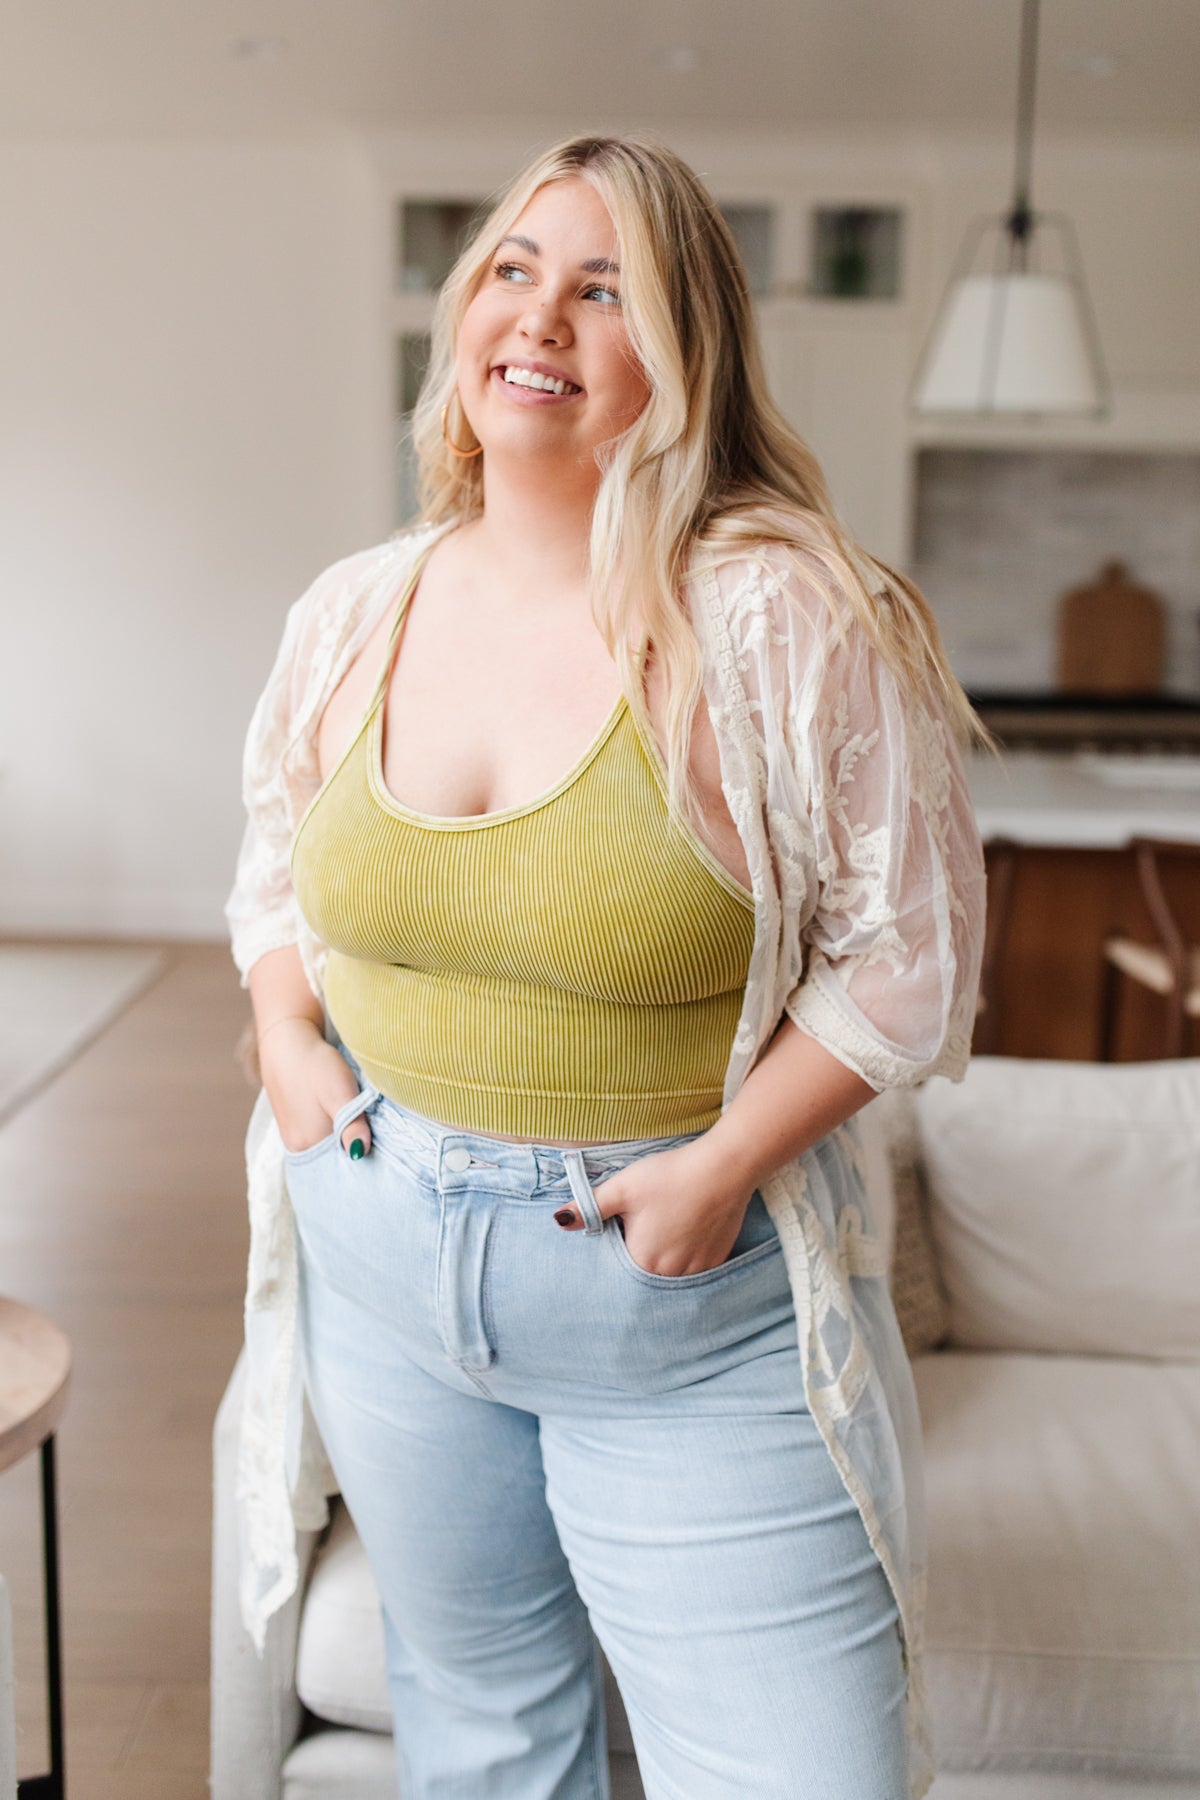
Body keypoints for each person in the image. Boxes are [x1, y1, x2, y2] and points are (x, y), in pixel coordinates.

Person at [225, 133, 987, 1800]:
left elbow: (909, 958)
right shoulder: (356, 606)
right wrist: (287, 1038)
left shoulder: (784, 617)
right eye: (513, 270)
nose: (541, 317)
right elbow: (276, 862)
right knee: (485, 1743)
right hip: (380, 1258)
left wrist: (721, 1167)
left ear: (687, 350)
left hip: (684, 1307)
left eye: (605, 288)